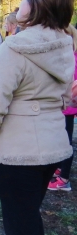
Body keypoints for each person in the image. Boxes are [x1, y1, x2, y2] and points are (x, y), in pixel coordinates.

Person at [0, 0, 74, 235]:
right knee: (28, 215)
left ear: (37, 6)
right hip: (53, 145)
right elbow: (64, 96)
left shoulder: (15, 47)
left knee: (19, 221)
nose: (22, 1)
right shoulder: (64, 43)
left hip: (17, 150)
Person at [48, 24, 77, 191]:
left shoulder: (71, 56)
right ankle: (60, 167)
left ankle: (64, 179)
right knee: (61, 138)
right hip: (64, 105)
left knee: (66, 141)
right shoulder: (67, 55)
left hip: (68, 105)